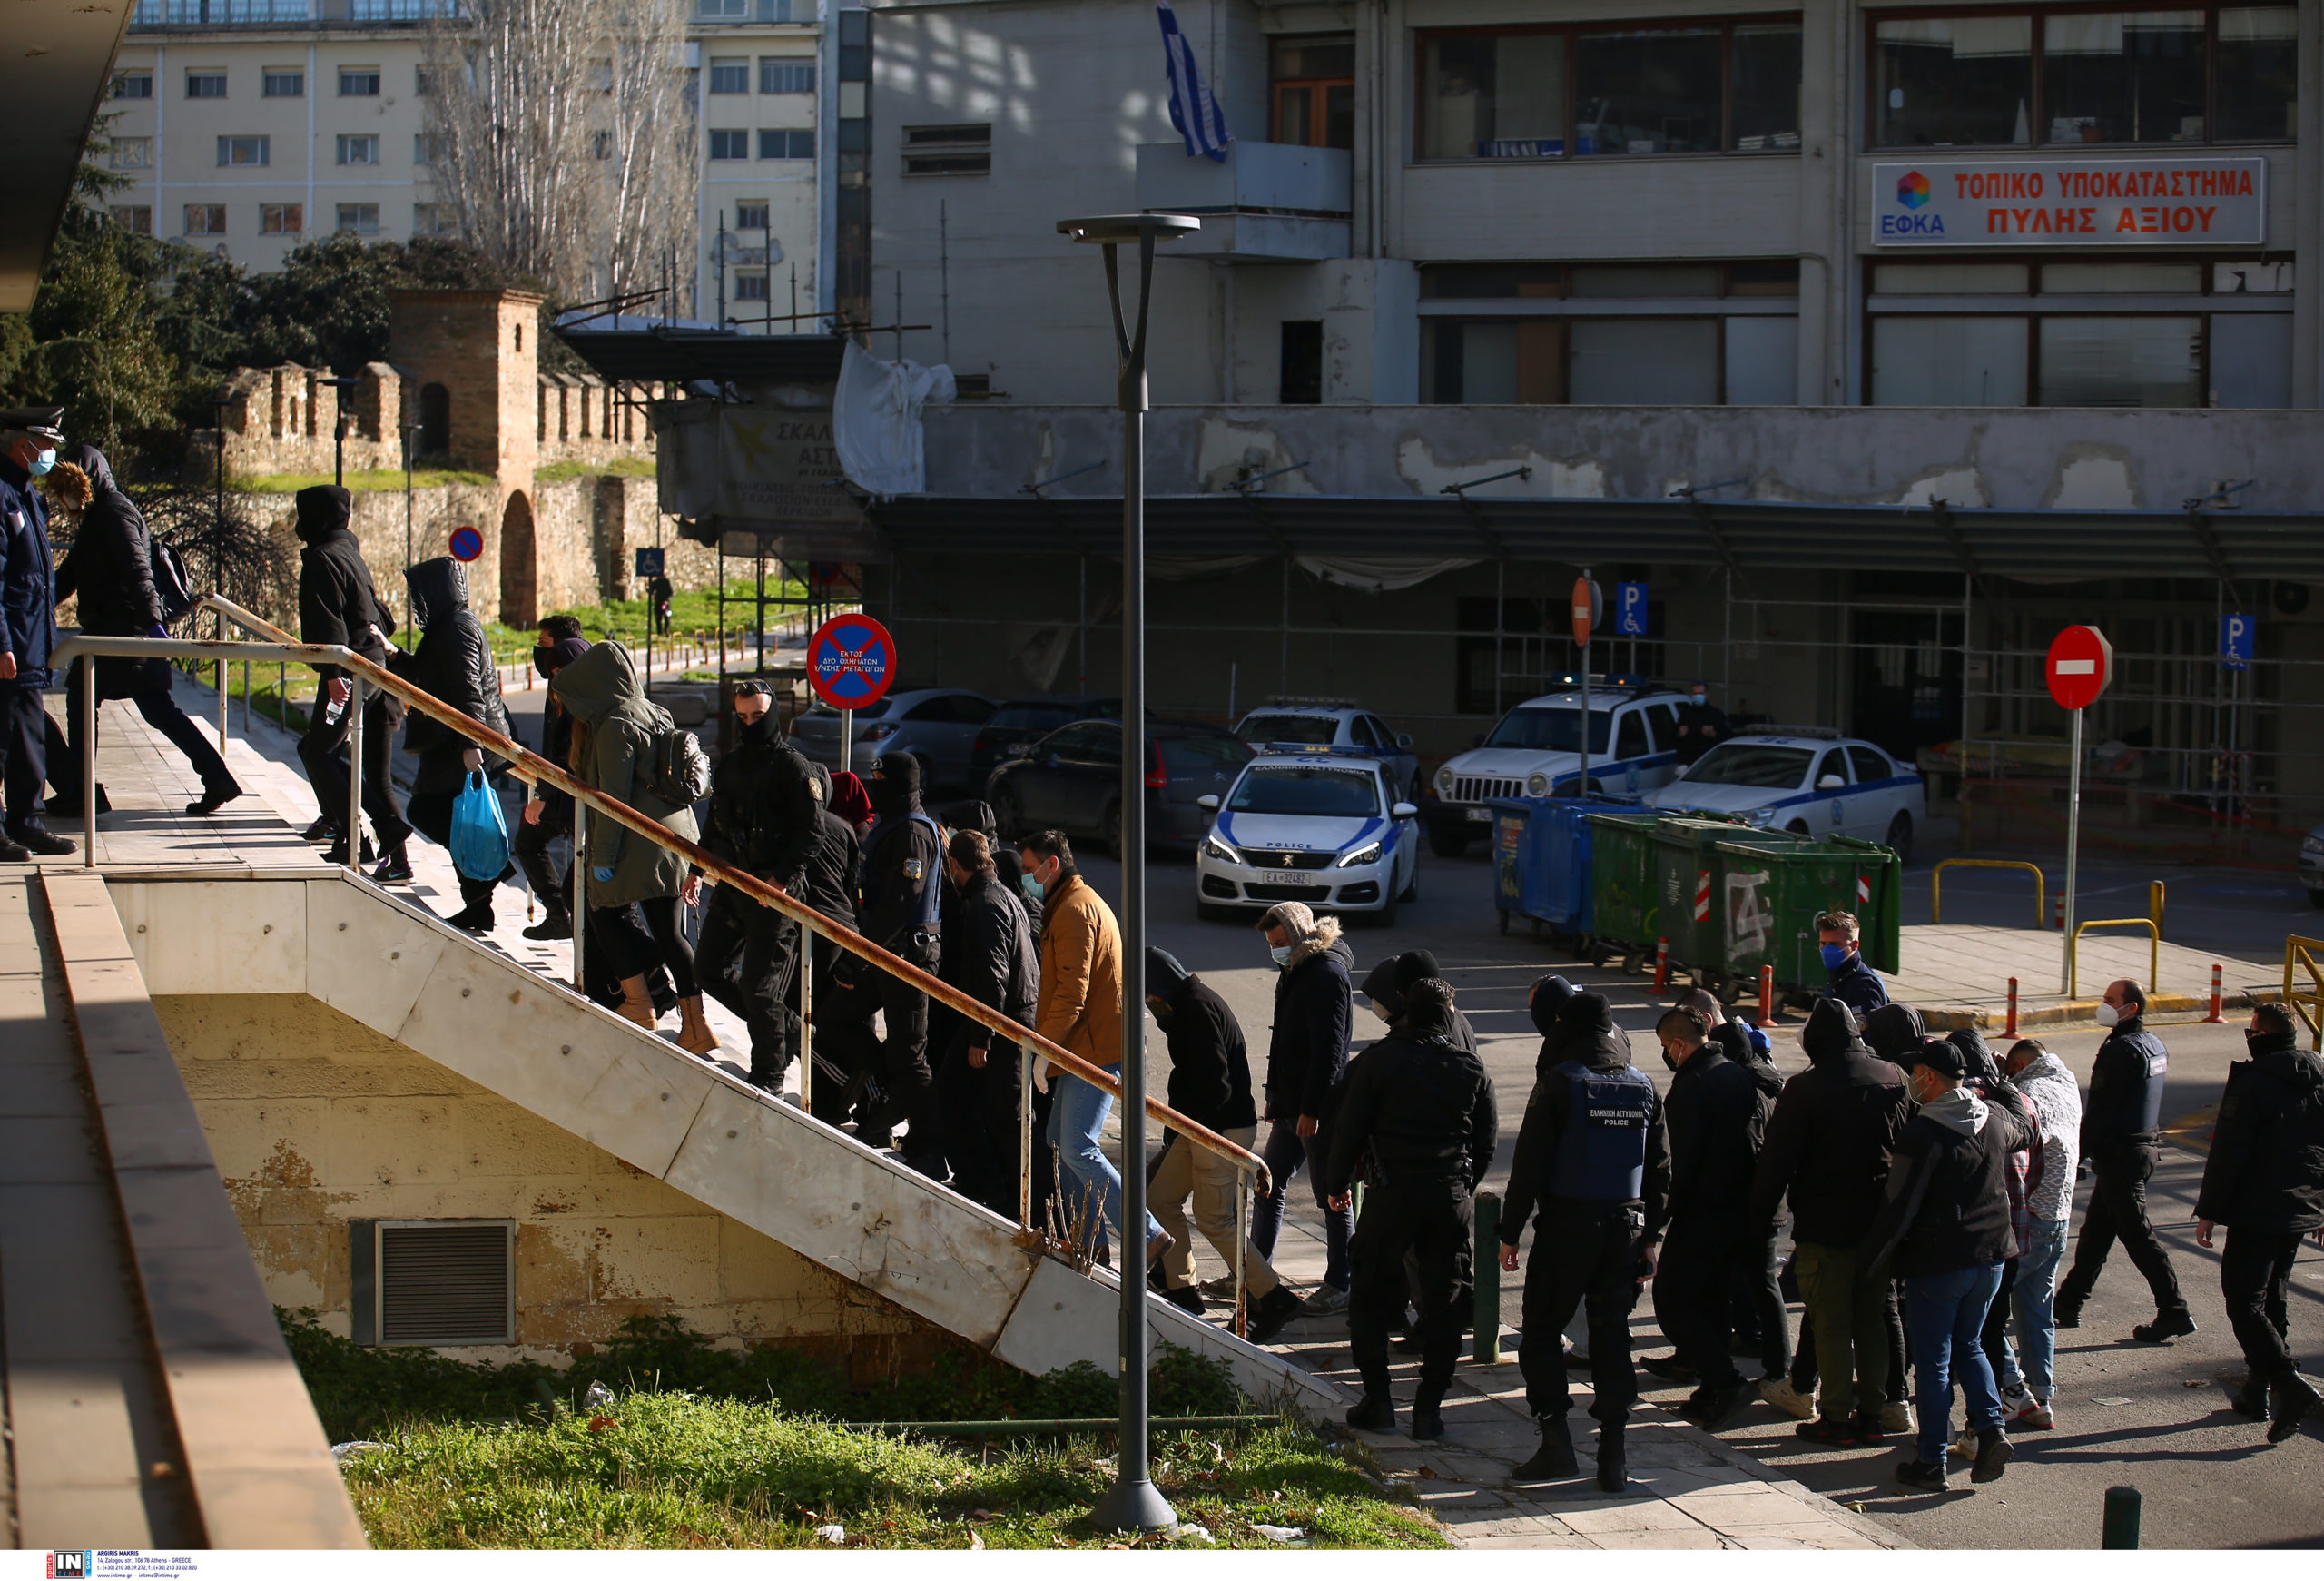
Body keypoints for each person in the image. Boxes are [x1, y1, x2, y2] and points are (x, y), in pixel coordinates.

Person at [1498, 989, 1669, 1491]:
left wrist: (1509, 1234)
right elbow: (1661, 1171)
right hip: (1624, 1230)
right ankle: (1613, 1454)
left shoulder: (1559, 1084)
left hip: (1566, 1229)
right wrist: (1651, 1237)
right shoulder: (1643, 1087)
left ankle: (1556, 1441)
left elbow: (1527, 1167)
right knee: (1612, 1336)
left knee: (1542, 1333)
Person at [1325, 976, 1497, 1441]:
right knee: (1444, 1305)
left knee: (1370, 1298)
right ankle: (1428, 1411)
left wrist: (1336, 1183)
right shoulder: (1469, 1067)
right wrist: (1461, 1185)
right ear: (1449, 1012)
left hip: (1391, 1195)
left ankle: (1378, 1401)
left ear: (1406, 1008)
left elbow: (1349, 1128)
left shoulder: (1378, 1062)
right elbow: (1486, 1143)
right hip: (1446, 1198)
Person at [1860, 1039, 2034, 1492]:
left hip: (1939, 1263)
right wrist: (2001, 1083)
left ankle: (1931, 1460)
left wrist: (1872, 1262)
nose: (1912, 1081)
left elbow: (1898, 1206)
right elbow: (2027, 1129)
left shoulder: (1923, 1133)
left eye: (1916, 1072)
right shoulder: (1991, 1119)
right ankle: (1991, 1430)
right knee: (1971, 1345)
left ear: (1930, 1077)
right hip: (1992, 1258)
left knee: (1935, 1363)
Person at [46, 443, 241, 820]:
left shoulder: (115, 512)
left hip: (126, 632)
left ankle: (82, 790)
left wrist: (154, 625)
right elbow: (69, 576)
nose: (67, 496)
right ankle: (217, 778)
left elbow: (139, 572)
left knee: (87, 700)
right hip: (116, 632)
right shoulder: (98, 516)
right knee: (152, 710)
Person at [1750, 998, 1914, 1445]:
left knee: (1830, 1323)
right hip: (1879, 1224)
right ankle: (1874, 1411)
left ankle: (1836, 1415)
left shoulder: (1805, 1088)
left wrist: (1761, 1215)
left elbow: (1777, 1162)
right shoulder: (1894, 1077)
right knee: (1875, 1319)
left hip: (1826, 1224)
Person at [551, 640, 714, 1054]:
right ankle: (696, 1026)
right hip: (676, 837)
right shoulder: (654, 710)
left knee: (601, 911)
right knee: (671, 931)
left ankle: (640, 1004)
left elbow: (614, 801)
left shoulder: (614, 726)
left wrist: (602, 858)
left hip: (638, 841)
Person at [1021, 828, 1167, 1267]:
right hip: (1087, 1045)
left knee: (1077, 1147)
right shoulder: (1073, 902)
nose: (1027, 877)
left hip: (1093, 1050)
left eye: (1030, 870)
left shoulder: (1072, 910)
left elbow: (1072, 993)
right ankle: (1092, 1242)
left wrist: (1044, 1051)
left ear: (1053, 865)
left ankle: (1147, 1235)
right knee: (1057, 1142)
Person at [1146, 946, 1302, 1340]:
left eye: (1149, 997)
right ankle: (1182, 1289)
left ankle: (1273, 1296)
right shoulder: (1187, 1004)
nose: (1149, 1006)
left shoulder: (1196, 1010)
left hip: (1217, 1130)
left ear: (1160, 987)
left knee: (1215, 1218)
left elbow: (1214, 1082)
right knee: (1160, 1198)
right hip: (1197, 1126)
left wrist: (1201, 1135)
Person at [2193, 1002, 2324, 1442]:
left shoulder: (2252, 1082)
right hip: (2299, 1210)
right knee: (2274, 1298)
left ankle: (2288, 1383)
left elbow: (2229, 1153)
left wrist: (2209, 1209)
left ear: (2261, 1036)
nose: (2247, 1036)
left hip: (2257, 1209)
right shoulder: (2320, 1076)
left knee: (2244, 1302)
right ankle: (2257, 1391)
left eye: (2251, 1030)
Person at [1653, 1004, 1784, 1426]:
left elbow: (1678, 1164)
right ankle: (1712, 1388)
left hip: (1703, 1214)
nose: (1666, 1056)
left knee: (1672, 1301)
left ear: (1678, 1044)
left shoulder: (1693, 1087)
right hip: (1740, 1211)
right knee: (1713, 1303)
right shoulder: (1738, 1076)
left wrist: (1654, 1224)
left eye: (1665, 1047)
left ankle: (1725, 1381)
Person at [694, 680, 820, 1092]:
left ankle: (769, 1072)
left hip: (774, 893)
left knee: (759, 986)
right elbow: (714, 823)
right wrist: (696, 869)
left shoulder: (792, 767)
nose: (750, 724)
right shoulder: (730, 764)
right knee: (708, 969)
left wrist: (780, 881)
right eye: (743, 717)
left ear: (773, 715)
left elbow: (811, 833)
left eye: (757, 717)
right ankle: (784, 1030)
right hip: (733, 885)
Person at [824, 752, 945, 1171]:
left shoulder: (912, 832)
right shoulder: (892, 825)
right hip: (883, 952)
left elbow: (900, 903)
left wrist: (857, 958)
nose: (873, 787)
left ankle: (930, 1148)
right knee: (836, 1019)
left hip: (906, 956)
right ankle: (890, 1095)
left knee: (910, 1057)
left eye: (881, 781)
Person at [2055, 978, 2192, 1341]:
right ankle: (2068, 1304)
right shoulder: (2152, 1043)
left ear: (2130, 1008)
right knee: (2097, 1232)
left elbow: (2100, 1112)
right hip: (2139, 1150)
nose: (2103, 1004)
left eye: (2110, 1000)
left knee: (2137, 1235)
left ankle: (2174, 1310)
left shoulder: (2120, 1050)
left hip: (2122, 1157)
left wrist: (2074, 1157)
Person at [387, 557, 514, 932]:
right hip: (451, 741)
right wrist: (396, 657)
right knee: (453, 819)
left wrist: (471, 743)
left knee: (431, 811)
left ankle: (488, 879)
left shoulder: (458, 627)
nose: (419, 602)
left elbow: (466, 690)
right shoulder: (448, 626)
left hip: (462, 742)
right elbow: (431, 679)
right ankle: (478, 901)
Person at [292, 483, 409, 873]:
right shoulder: (348, 552)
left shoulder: (323, 558)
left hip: (349, 672)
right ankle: (364, 840)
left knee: (318, 752)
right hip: (371, 670)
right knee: (331, 753)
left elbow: (328, 622)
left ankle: (377, 831)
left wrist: (331, 675)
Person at [1248, 900, 1355, 1310]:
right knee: (1268, 1183)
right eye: (1270, 944)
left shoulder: (1326, 974)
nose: (1274, 950)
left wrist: (1312, 1109)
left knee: (1332, 1192)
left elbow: (1330, 1051)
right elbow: (1285, 1044)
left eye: (1279, 942)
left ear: (1296, 936)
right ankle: (1259, 1272)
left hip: (1316, 1109)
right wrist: (1277, 1101)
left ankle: (1341, 1281)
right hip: (1292, 1106)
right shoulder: (1295, 970)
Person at [933, 829, 1039, 1212]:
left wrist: (982, 1036)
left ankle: (1007, 1197)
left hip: (1001, 1023)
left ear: (955, 865)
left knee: (997, 1114)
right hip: (1009, 1020)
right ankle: (1001, 1192)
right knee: (991, 1109)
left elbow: (992, 974)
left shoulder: (984, 904)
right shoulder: (1004, 895)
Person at [0, 407, 74, 859]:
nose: (48, 454)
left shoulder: (26, 493)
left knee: (29, 737)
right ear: (19, 443)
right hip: (11, 641)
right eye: (44, 445)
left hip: (31, 639)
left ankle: (26, 821)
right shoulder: (2, 494)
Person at [1999, 1035, 2083, 1431]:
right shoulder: (2066, 1084)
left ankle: (2016, 1393)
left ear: (2016, 1067)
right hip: (2060, 1215)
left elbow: (2020, 1148)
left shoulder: (2027, 1093)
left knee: (1984, 1314)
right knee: (2036, 1310)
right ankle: (2042, 1393)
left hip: (2030, 1217)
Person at [794, 759, 865, 1105]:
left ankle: (836, 1088)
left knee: (799, 1011)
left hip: (811, 928)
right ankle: (832, 1098)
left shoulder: (799, 823)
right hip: (842, 929)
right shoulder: (844, 828)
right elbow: (853, 884)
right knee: (823, 1012)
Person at [515, 620, 588, 940]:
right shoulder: (560, 684)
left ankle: (570, 921)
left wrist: (543, 794)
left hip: (574, 792)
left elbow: (566, 751)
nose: (538, 651)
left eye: (543, 643)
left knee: (580, 868)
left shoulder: (577, 690)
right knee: (529, 842)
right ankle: (560, 915)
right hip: (561, 791)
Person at [1817, 910, 1889, 1018]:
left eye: (1835, 944)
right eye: (1823, 943)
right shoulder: (1839, 978)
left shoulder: (1863, 986)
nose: (1827, 949)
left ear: (1854, 945)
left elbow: (1864, 1032)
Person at [1670, 681, 1731, 766]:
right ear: (1691, 695)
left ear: (1707, 695)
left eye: (1701, 693)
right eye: (1695, 694)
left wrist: (1714, 734)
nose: (1698, 696)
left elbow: (1727, 737)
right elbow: (1674, 735)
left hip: (1708, 763)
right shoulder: (1686, 713)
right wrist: (1679, 733)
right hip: (1688, 762)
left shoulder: (1716, 714)